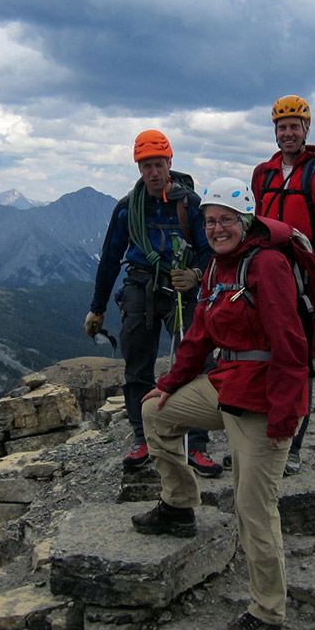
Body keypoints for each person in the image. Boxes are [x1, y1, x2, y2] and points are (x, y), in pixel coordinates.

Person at [130, 177, 308, 630]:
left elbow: (291, 344)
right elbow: (201, 338)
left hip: (263, 401)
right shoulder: (216, 270)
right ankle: (179, 505)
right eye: (210, 221)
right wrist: (168, 385)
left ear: (245, 221)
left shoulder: (265, 265)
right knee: (156, 413)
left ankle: (267, 611)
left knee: (253, 507)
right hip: (227, 385)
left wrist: (286, 414)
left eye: (226, 220)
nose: (217, 228)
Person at [85, 130, 222, 478]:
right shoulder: (127, 208)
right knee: (137, 365)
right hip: (141, 285)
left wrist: (195, 274)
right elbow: (110, 259)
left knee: (197, 360)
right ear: (139, 167)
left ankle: (198, 444)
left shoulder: (190, 204)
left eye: (158, 164)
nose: (153, 172)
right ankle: (143, 439)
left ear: (169, 163)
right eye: (146, 166)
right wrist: (97, 307)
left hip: (182, 289)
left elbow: (210, 250)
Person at [250, 94, 315, 475]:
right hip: (263, 277)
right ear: (274, 131)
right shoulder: (263, 173)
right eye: (282, 126)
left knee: (299, 365)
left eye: (294, 126)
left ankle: (291, 447)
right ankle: (255, 440)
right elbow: (254, 221)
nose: (288, 132)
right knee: (259, 356)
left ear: (306, 129)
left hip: (303, 283)